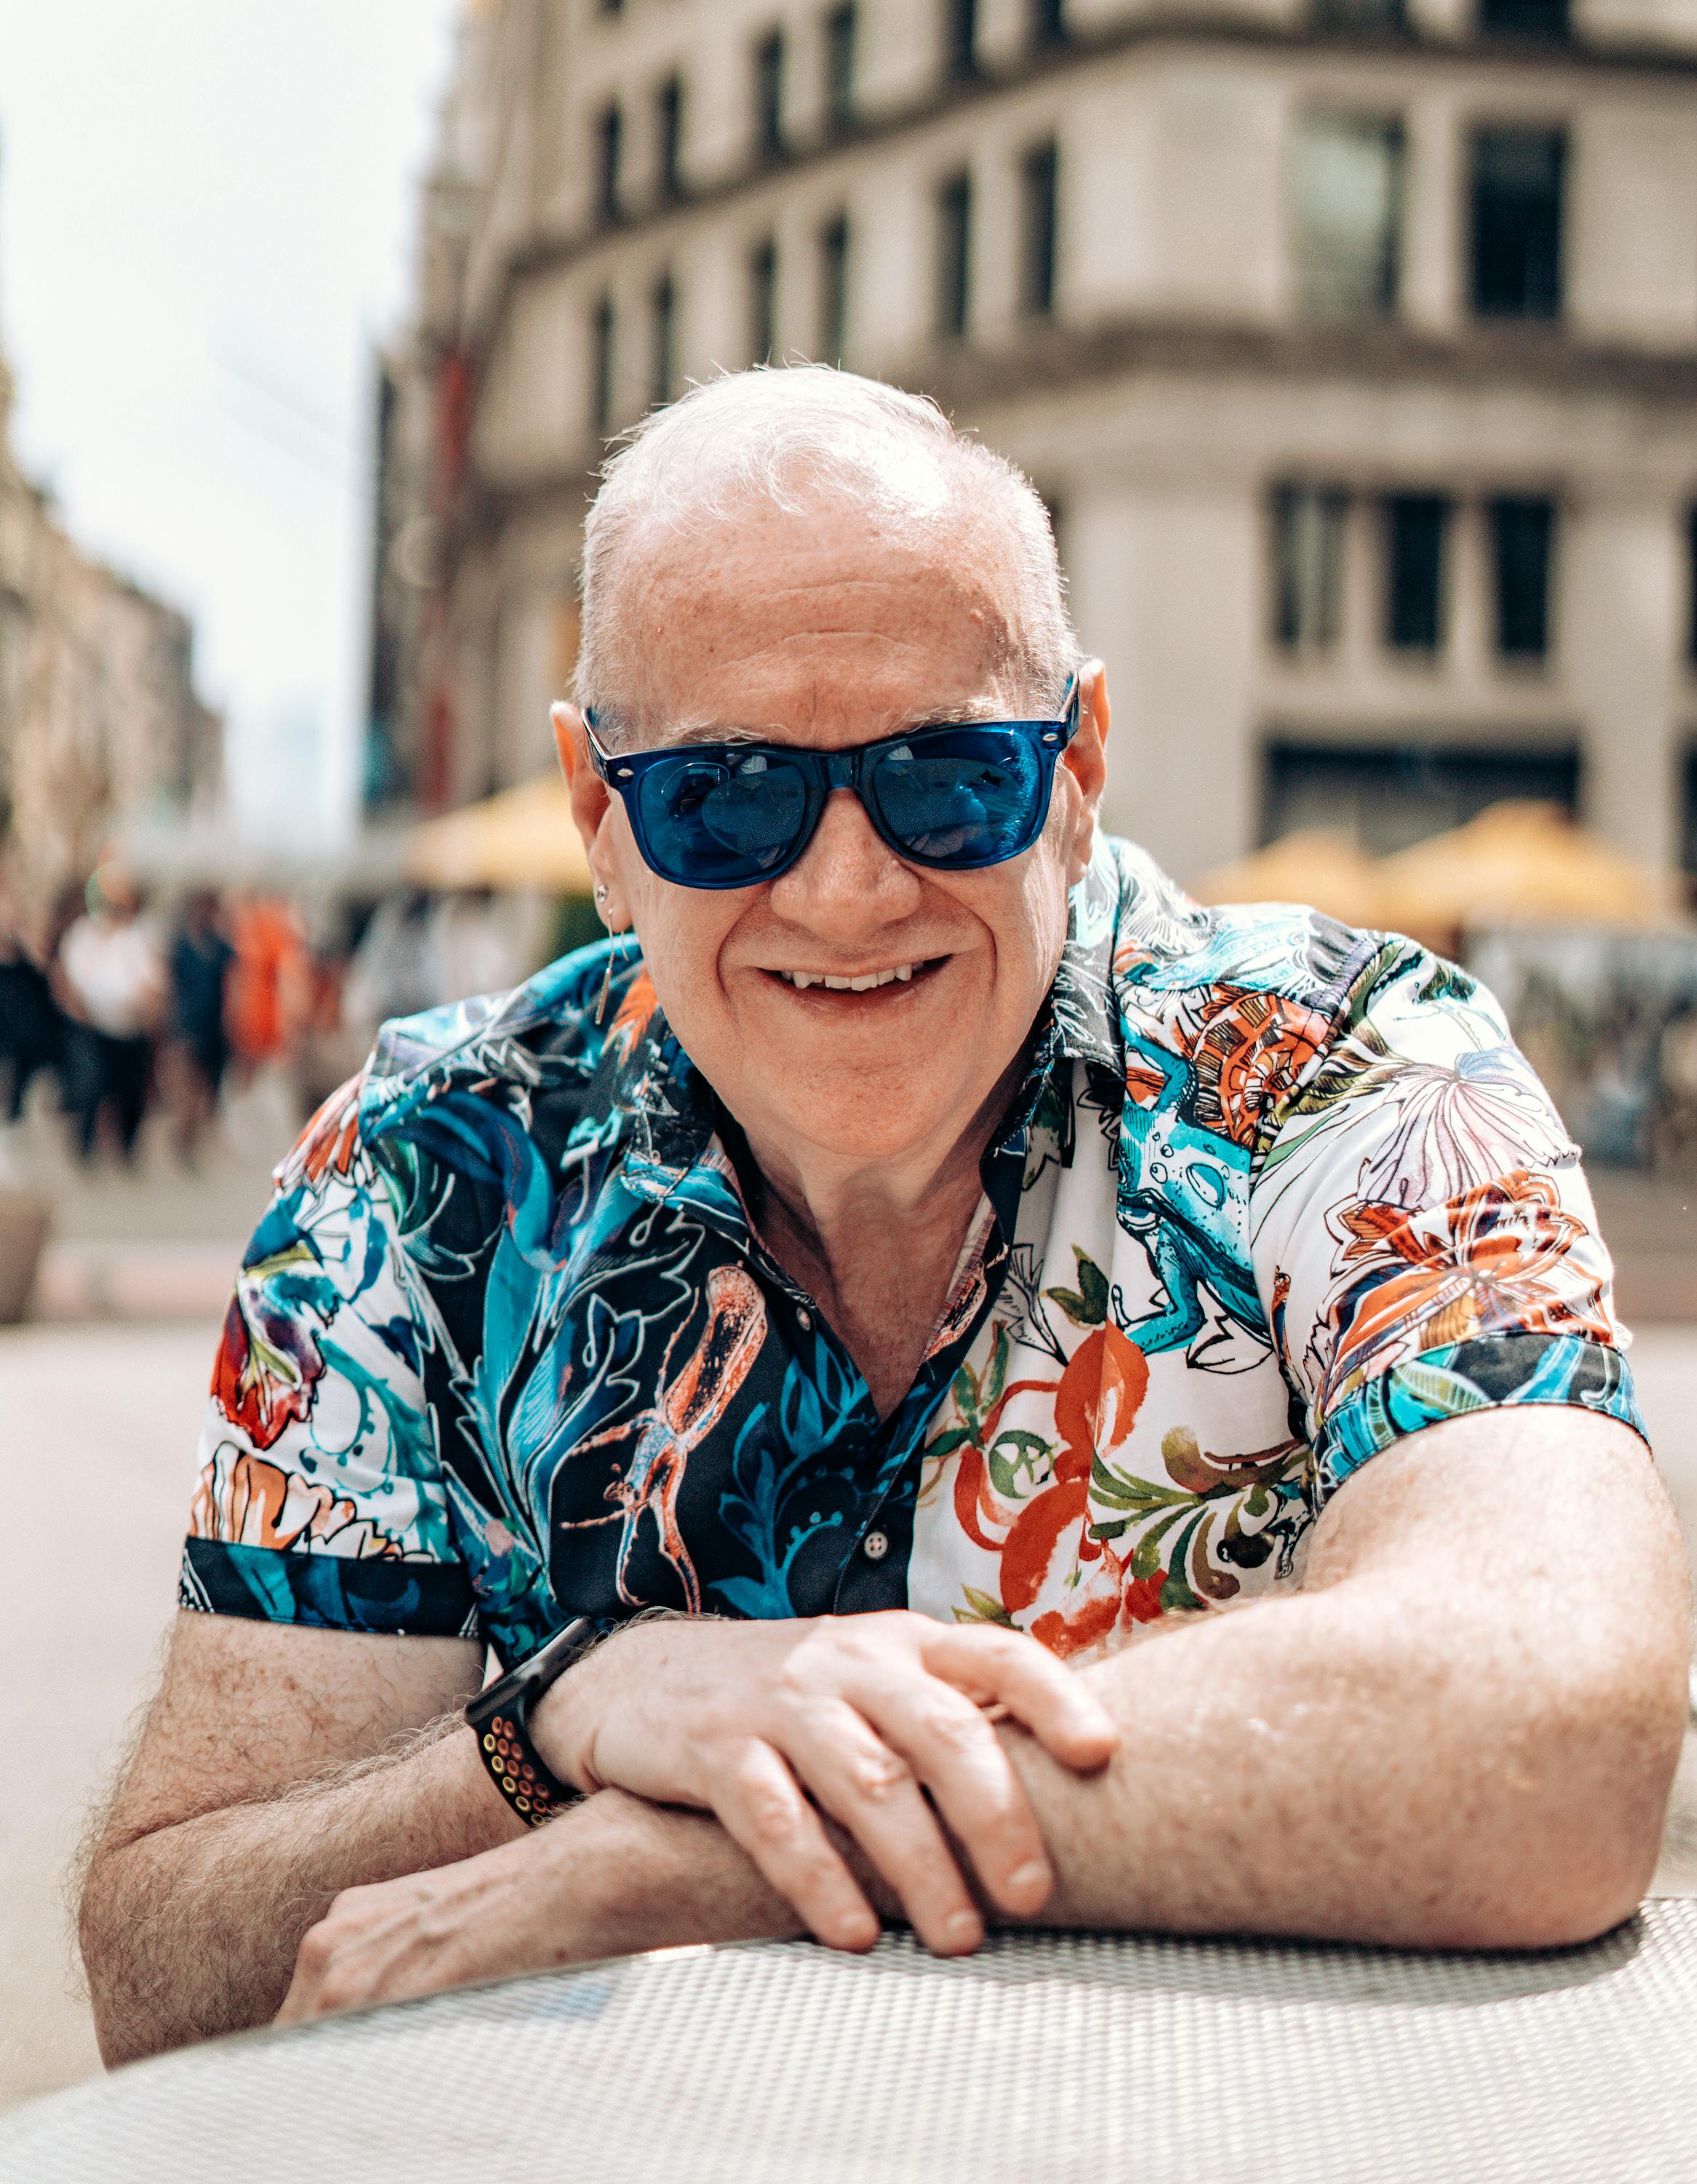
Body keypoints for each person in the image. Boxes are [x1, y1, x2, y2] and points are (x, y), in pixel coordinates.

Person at [80, 368, 1688, 2064]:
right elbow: (169, 1970)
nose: (847, 886)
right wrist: (551, 1734)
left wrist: (694, 1848)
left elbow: (1563, 1726)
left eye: (946, 776)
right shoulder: (417, 1175)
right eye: (728, 794)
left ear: (1076, 767)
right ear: (598, 822)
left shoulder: (1344, 1069)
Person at [54, 866, 165, 1165]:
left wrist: (148, 1009)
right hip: (92, 1028)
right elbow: (65, 979)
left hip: (130, 1031)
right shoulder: (83, 935)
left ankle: (126, 1149)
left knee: (130, 1094)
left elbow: (154, 984)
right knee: (91, 1086)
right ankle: (85, 1147)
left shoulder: (138, 938)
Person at [167, 890, 236, 1166]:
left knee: (208, 1092)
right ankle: (183, 1137)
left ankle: (190, 1138)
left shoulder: (220, 947)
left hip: (214, 1028)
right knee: (188, 1087)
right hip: (187, 1027)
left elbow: (233, 986)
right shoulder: (181, 946)